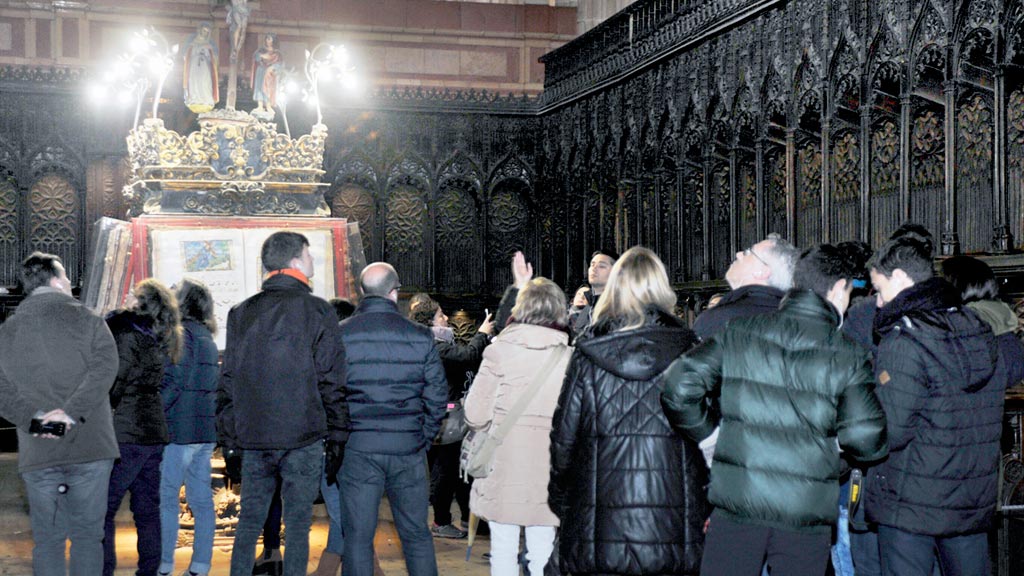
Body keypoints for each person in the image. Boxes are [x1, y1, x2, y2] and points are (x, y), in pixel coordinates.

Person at [662, 243, 889, 576]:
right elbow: (868, 437)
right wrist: (828, 453)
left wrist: (711, 437)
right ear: (839, 288)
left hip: (738, 503)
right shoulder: (847, 352)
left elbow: (678, 386)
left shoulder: (740, 332)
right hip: (805, 511)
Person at [548, 247, 706, 576]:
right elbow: (709, 441)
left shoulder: (588, 354)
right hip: (671, 524)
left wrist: (563, 501)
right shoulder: (692, 352)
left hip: (599, 522)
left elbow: (564, 441)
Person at [865, 237, 1008, 576]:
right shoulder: (978, 329)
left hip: (912, 502)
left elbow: (892, 430)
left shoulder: (905, 339)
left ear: (899, 278)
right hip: (969, 500)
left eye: (879, 290)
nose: (878, 302)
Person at [217, 231, 349, 576]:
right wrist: (338, 435)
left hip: (254, 438)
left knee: (249, 523)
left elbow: (228, 382)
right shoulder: (318, 310)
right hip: (303, 437)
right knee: (298, 524)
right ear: (295, 261)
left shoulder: (240, 313)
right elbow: (331, 380)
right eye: (308, 255)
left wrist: (229, 442)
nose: (312, 262)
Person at [0, 252, 119, 576]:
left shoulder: (7, 331)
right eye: (66, 277)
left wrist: (34, 420)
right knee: (86, 538)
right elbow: (105, 368)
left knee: (48, 541)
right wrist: (70, 413)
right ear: (55, 280)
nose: (69, 283)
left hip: (40, 451)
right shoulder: (90, 320)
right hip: (90, 447)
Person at [338, 263, 447, 576]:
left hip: (358, 448)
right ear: (395, 292)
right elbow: (437, 397)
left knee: (357, 538)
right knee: (416, 535)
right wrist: (422, 438)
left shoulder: (341, 334)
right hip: (408, 447)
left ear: (361, 292)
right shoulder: (419, 335)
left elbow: (328, 392)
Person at [464, 277, 572, 576]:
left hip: (504, 466)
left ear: (520, 307)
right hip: (549, 469)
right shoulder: (569, 358)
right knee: (543, 553)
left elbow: (474, 415)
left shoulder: (499, 351)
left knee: (503, 552)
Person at [104, 279, 183, 576]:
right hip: (152, 431)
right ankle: (149, 571)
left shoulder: (127, 334)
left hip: (126, 432)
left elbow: (117, 381)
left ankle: (104, 570)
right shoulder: (161, 336)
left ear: (139, 302)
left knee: (105, 508)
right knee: (147, 510)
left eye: (132, 294)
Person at [410, 296, 493, 540]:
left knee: (458, 470)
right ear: (429, 321)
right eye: (440, 315)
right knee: (445, 471)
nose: (446, 318)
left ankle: (469, 517)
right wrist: (482, 334)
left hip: (449, 414)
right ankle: (441, 520)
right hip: (444, 416)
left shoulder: (431, 342)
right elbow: (466, 356)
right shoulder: (434, 345)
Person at [158, 279, 219, 576]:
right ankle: (200, 567)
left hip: (178, 431)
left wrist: (152, 412)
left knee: (167, 499)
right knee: (202, 501)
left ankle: (165, 566)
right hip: (204, 432)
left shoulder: (181, 335)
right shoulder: (207, 337)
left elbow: (175, 382)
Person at [690, 232, 799, 340]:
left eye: (748, 252)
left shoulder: (717, 321)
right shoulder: (798, 322)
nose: (738, 254)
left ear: (762, 271)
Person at [567, 248, 618, 336]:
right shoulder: (587, 307)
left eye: (601, 266)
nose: (594, 269)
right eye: (592, 265)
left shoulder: (618, 307)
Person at [182, 21, 219, 113]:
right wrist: (197, 49)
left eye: (207, 32)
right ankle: (194, 98)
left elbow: (214, 58)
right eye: (203, 31)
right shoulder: (192, 43)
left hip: (205, 65)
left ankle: (206, 99)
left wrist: (208, 50)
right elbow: (186, 55)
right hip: (194, 64)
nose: (204, 33)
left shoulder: (210, 44)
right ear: (200, 31)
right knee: (194, 81)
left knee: (205, 81)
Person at [251, 33, 282, 114]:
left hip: (269, 74)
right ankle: (260, 106)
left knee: (268, 89)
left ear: (273, 41)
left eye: (270, 39)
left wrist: (273, 67)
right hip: (261, 71)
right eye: (267, 38)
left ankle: (268, 106)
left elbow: (279, 64)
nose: (268, 40)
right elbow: (256, 57)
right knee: (259, 88)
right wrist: (261, 56)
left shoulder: (277, 53)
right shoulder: (261, 50)